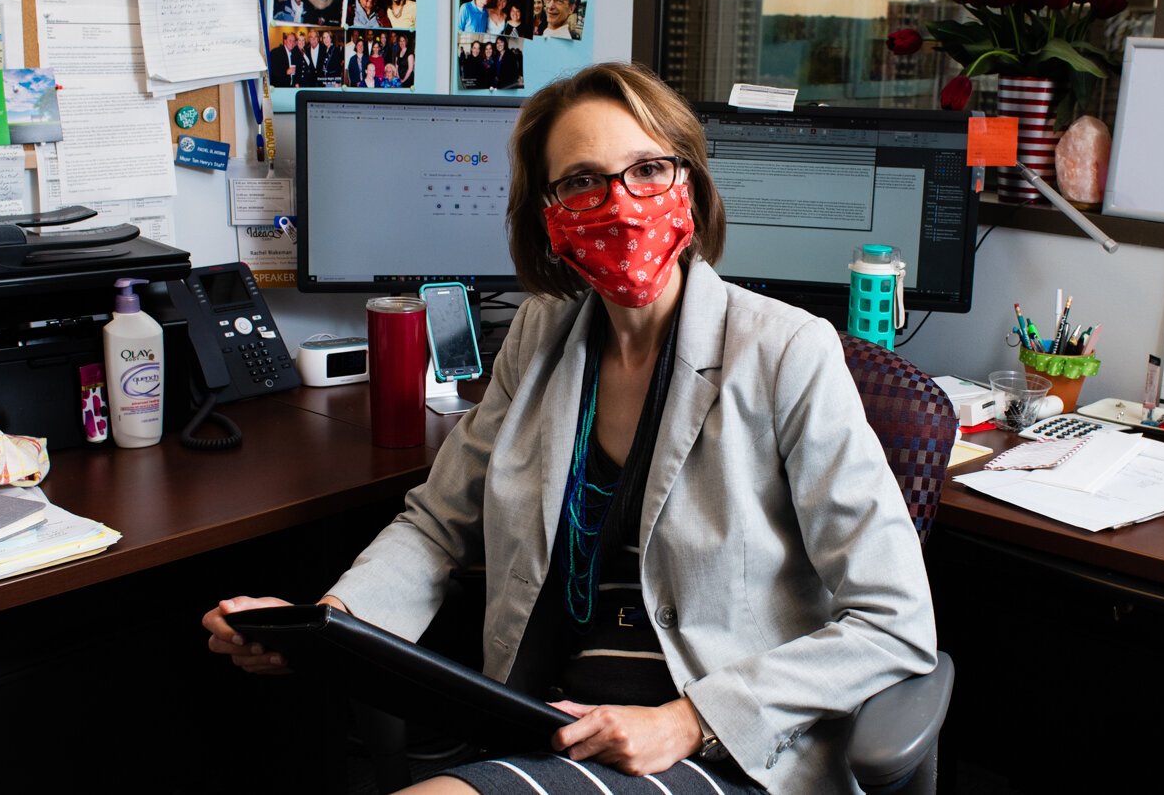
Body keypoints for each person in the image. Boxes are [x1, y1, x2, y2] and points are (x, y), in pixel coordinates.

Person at [204, 63, 936, 794]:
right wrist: (330, 623)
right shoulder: (540, 336)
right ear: (548, 216)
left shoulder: (785, 350)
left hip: (724, 751)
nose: (620, 205)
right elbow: (438, 525)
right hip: (548, 722)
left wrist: (690, 718)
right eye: (584, 180)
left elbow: (895, 620)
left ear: (691, 183)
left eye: (648, 168)